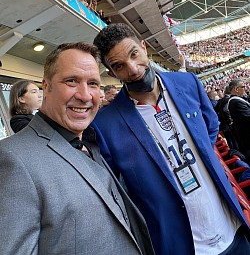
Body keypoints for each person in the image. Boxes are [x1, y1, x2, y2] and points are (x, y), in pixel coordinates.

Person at [92, 23, 250, 255]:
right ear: (111, 73)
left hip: (232, 227)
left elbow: (210, 126)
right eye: (119, 66)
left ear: (144, 47)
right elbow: (119, 189)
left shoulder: (187, 83)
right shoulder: (105, 125)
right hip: (182, 246)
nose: (134, 69)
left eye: (134, 54)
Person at [0, 42, 155, 255]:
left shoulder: (94, 141)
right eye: (72, 81)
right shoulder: (12, 158)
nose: (84, 95)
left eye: (93, 83)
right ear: (46, 86)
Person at [228, 79, 250, 163]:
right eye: (243, 87)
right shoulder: (236, 102)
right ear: (236, 89)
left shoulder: (237, 100)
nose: (246, 88)